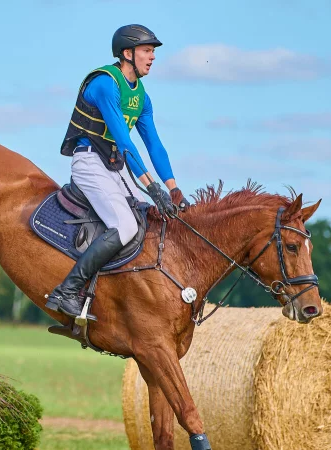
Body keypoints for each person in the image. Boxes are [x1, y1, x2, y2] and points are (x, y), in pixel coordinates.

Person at [46, 24, 190, 319]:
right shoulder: (105, 84)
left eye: (153, 51)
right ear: (127, 53)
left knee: (145, 220)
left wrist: (173, 188)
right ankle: (67, 291)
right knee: (125, 226)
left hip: (114, 164)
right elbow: (125, 142)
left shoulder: (142, 98)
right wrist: (152, 186)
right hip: (89, 161)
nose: (153, 57)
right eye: (147, 50)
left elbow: (154, 145)